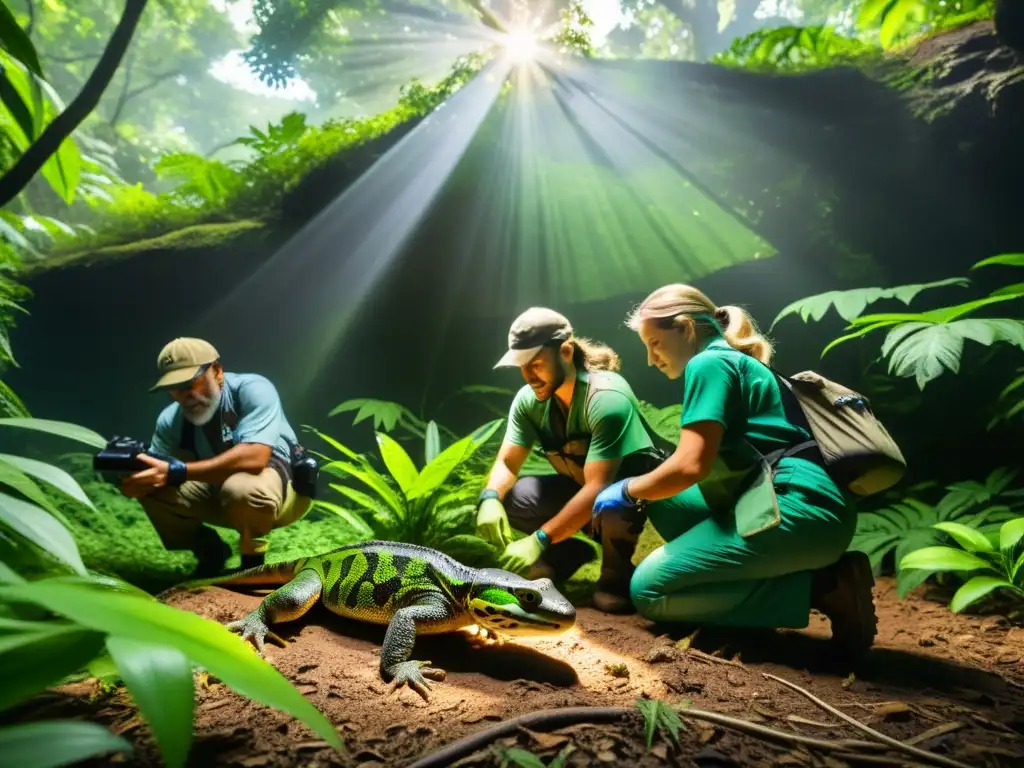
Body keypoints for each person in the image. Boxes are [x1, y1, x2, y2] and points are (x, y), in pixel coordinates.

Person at [591, 284, 877, 659]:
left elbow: (690, 465)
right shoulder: (735, 360)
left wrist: (626, 490)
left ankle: (825, 587)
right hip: (791, 501)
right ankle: (759, 568)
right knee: (664, 502)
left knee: (649, 592)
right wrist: (642, 490)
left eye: (655, 343)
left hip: (797, 508)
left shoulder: (708, 363)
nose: (650, 358)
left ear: (686, 328)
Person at [476, 307, 667, 613]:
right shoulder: (530, 401)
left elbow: (598, 487)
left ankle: (616, 574)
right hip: (582, 490)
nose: (528, 377)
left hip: (628, 499)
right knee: (515, 497)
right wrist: (489, 498)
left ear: (565, 351)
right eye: (522, 367)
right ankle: (567, 554)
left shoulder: (606, 397)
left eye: (536, 364)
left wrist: (540, 537)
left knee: (612, 502)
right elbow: (508, 464)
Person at [121, 337, 312, 576]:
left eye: (191, 382)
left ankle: (252, 566)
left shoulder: (252, 389)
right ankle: (211, 553)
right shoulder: (171, 419)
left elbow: (255, 457)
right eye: (176, 387)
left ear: (217, 371)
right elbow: (160, 469)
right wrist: (136, 481)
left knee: (242, 487)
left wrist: (179, 471)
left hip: (283, 495)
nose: (186, 395)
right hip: (219, 493)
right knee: (154, 488)